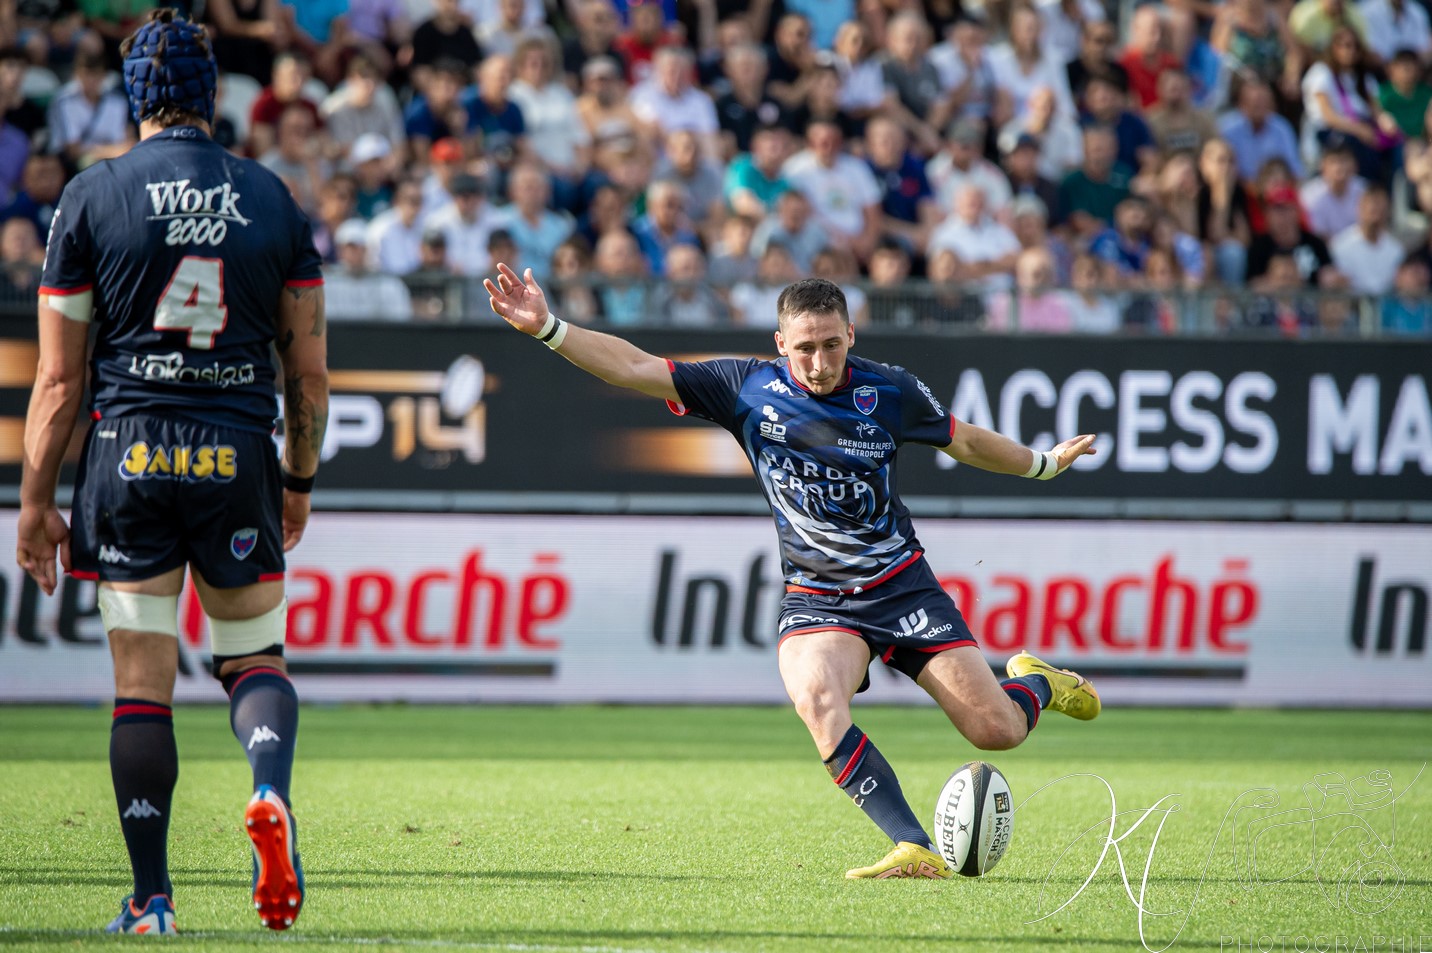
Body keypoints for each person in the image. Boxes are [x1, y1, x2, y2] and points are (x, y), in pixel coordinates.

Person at [483, 262, 1102, 879]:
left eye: (831, 345)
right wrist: (549, 328)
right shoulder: (745, 387)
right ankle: (912, 846)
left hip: (903, 587)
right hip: (818, 599)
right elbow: (635, 366)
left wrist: (1042, 465)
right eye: (804, 348)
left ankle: (1038, 681)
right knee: (816, 698)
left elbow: (964, 441)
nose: (819, 362)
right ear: (781, 345)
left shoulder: (891, 392)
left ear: (851, 336)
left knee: (997, 732)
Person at [16, 9, 326, 936]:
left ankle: (151, 899)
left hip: (131, 453)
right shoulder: (272, 197)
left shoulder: (91, 194)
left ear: (134, 97)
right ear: (213, 97)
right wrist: (297, 481)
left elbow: (59, 377)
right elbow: (306, 373)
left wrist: (35, 502)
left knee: (142, 684)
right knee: (253, 658)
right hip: (235, 449)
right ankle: (269, 791)